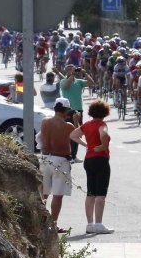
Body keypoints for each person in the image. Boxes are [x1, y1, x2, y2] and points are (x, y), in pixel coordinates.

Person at [39, 98, 79, 233]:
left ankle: (40, 222)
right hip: (60, 160)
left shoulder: (45, 122)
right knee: (57, 194)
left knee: (44, 193)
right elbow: (78, 136)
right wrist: (77, 120)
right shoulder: (68, 126)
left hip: (45, 159)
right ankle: (53, 224)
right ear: (66, 111)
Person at [80, 100, 113, 234]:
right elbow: (103, 133)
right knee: (100, 194)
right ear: (105, 113)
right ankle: (99, 223)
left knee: (90, 193)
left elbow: (74, 135)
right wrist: (103, 146)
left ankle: (90, 224)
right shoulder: (102, 124)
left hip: (88, 159)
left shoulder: (87, 124)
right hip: (101, 159)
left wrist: (85, 145)